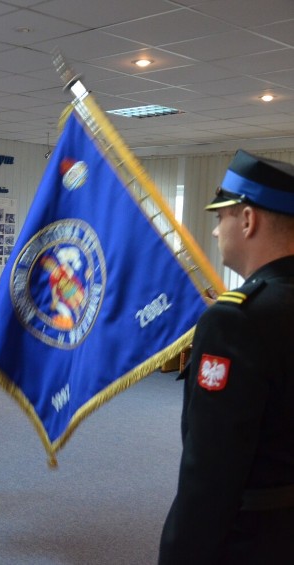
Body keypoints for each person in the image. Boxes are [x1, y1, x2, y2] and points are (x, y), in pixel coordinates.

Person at [159, 150, 294, 564]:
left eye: (222, 218)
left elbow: (211, 474)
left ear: (249, 219)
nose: (216, 232)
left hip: (254, 540)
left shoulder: (236, 320)